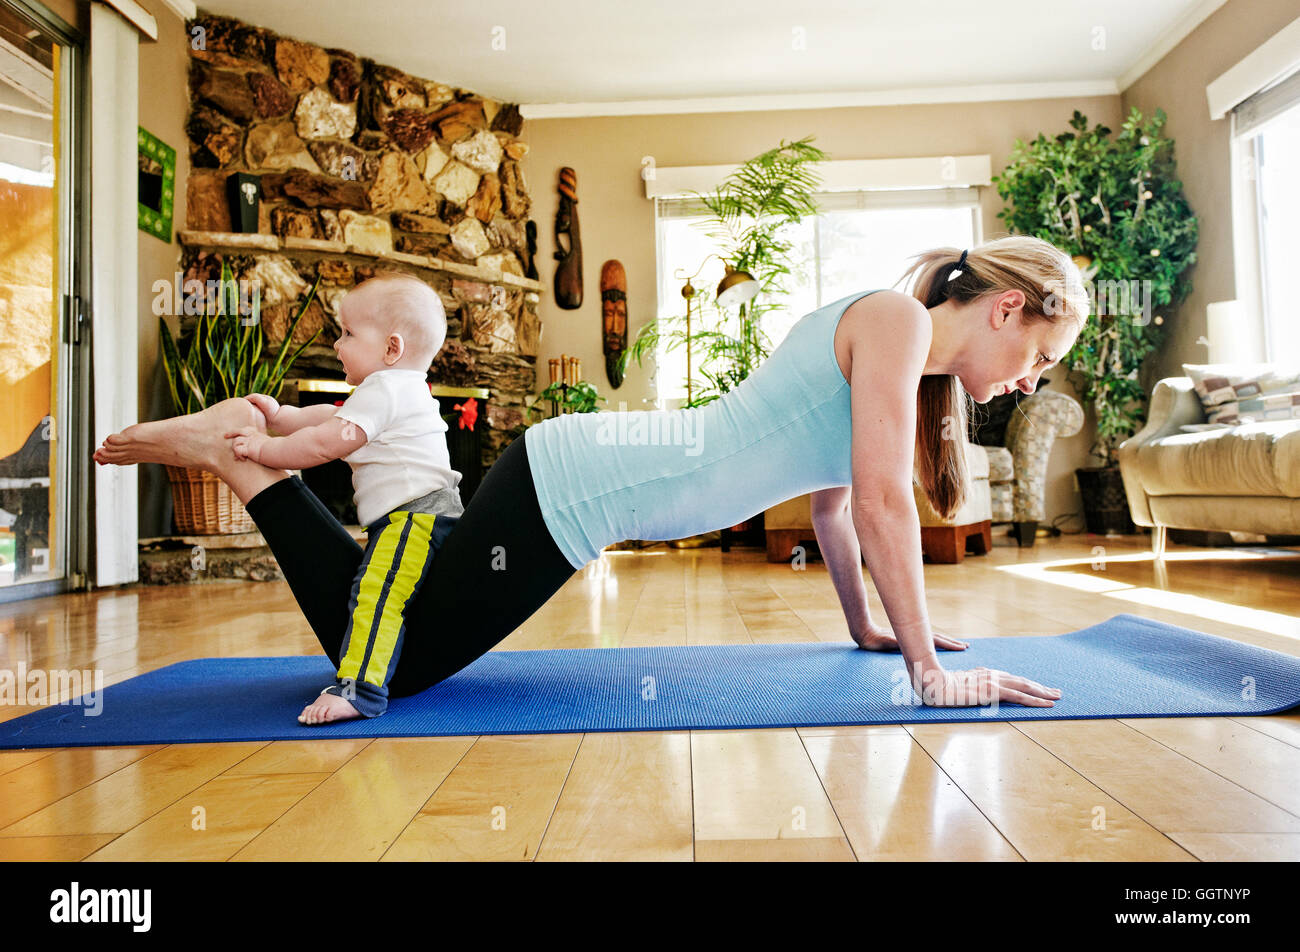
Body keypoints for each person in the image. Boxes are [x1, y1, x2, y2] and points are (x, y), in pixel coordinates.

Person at [95, 236, 1087, 710]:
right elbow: (877, 502)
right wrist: (927, 672)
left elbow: (833, 507)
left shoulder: (902, 353)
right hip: (573, 488)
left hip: (571, 482)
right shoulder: (896, 319)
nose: (1028, 379)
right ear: (1007, 308)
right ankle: (248, 461)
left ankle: (250, 458)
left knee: (385, 620)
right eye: (1041, 356)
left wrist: (869, 629)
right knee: (399, 655)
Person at [225, 272, 464, 725]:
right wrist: (282, 416)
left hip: (416, 519)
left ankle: (362, 691)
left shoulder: (388, 389)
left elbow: (325, 444)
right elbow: (331, 417)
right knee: (381, 592)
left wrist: (263, 448)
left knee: (375, 595)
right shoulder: (397, 389)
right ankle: (369, 677)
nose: (338, 344)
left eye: (349, 333)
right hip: (419, 518)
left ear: (391, 349)